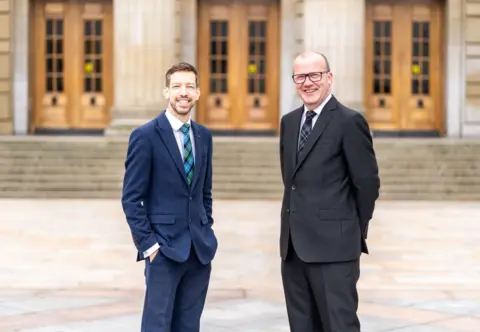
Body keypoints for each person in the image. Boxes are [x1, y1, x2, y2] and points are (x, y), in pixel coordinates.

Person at [278, 51, 380, 332]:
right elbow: (292, 182)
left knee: (339, 325)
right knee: (302, 326)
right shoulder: (288, 122)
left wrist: (349, 229)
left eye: (315, 75)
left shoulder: (349, 121)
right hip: (293, 249)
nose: (307, 82)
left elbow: (367, 184)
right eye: (300, 76)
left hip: (335, 249)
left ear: (329, 78)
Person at [121, 62, 218, 332]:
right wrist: (150, 246)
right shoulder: (145, 136)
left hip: (198, 252)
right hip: (163, 252)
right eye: (177, 86)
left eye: (189, 86)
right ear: (166, 92)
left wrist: (205, 228)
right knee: (157, 326)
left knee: (189, 326)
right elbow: (131, 198)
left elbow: (204, 192)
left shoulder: (204, 136)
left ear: (198, 93)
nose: (183, 92)